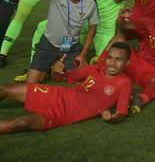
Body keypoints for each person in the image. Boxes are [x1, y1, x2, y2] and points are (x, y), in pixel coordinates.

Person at [0, 41, 132, 133]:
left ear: (126, 63)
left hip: (63, 113)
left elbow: (122, 113)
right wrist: (58, 70)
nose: (112, 63)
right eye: (110, 58)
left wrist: (113, 119)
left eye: (118, 59)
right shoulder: (94, 69)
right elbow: (62, 78)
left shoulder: (124, 83)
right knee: (3, 89)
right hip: (56, 94)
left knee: (22, 123)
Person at [25, 0, 98, 84]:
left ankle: (55, 68)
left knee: (79, 83)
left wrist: (83, 54)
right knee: (31, 84)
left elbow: (92, 28)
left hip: (71, 47)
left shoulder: (90, 3)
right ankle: (51, 67)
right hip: (48, 45)